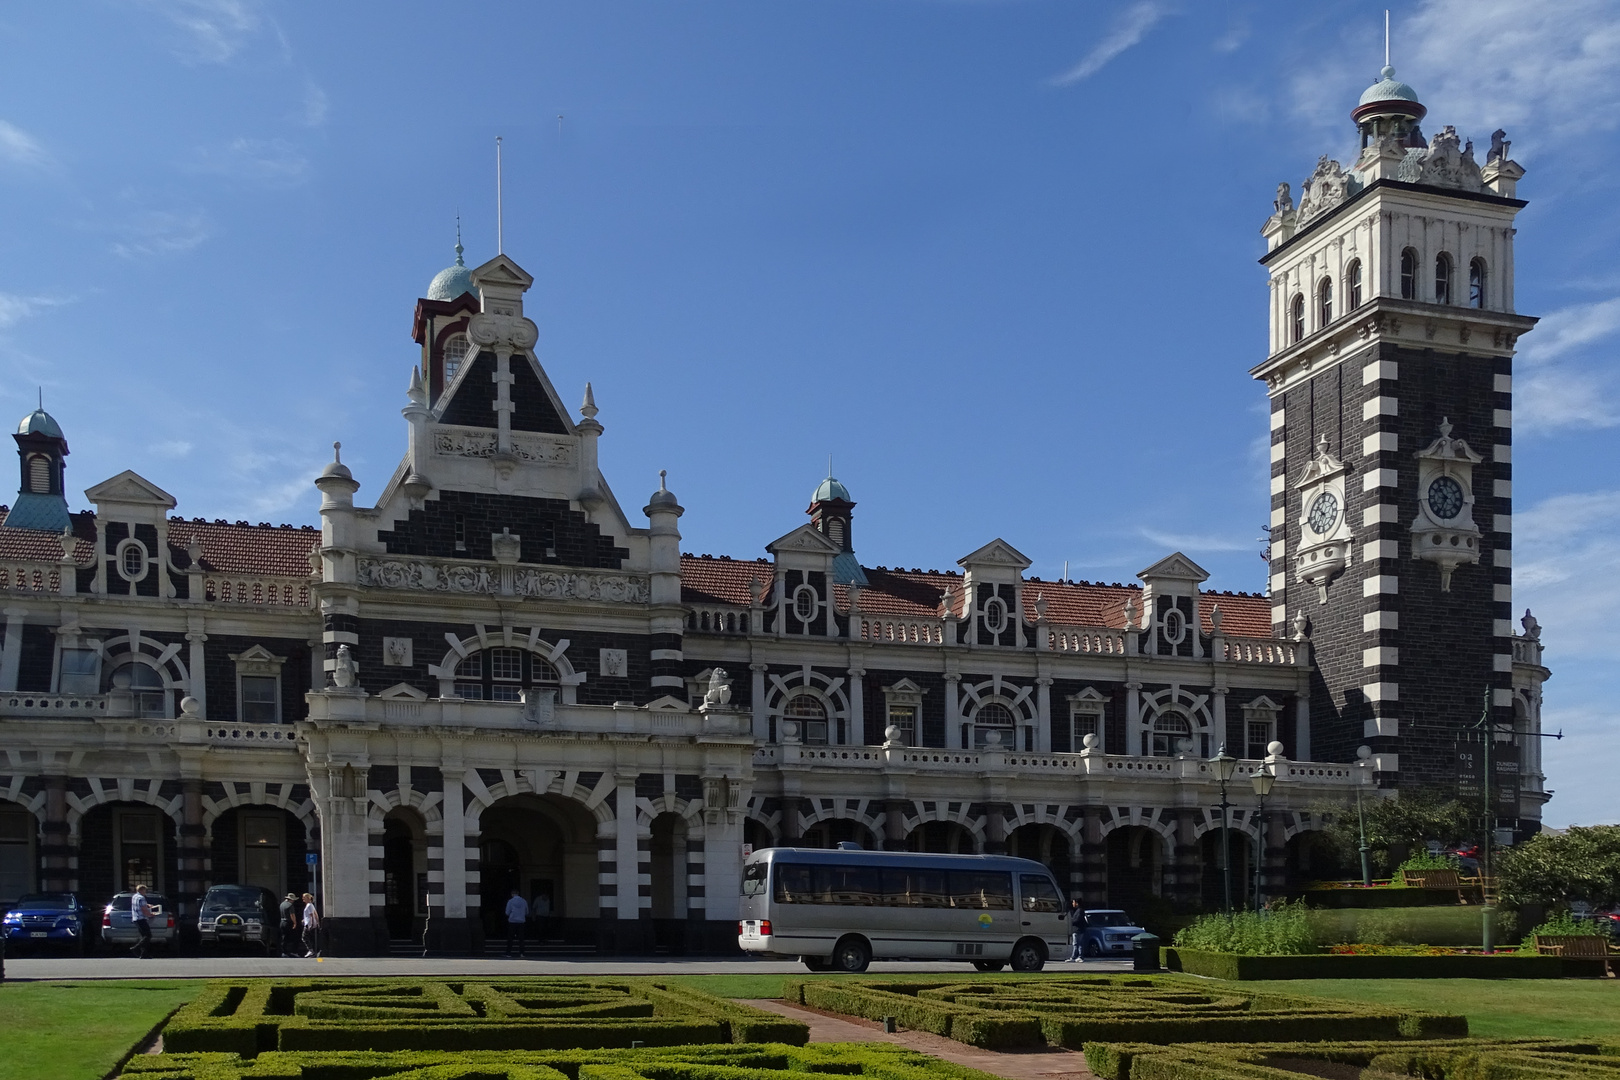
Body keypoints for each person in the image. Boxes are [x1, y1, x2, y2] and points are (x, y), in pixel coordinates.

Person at [503, 888, 529, 958]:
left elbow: (507, 912)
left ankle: (508, 953)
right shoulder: (524, 901)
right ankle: (522, 953)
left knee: (510, 938)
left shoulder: (510, 901)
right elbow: (527, 912)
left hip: (512, 921)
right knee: (521, 938)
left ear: (512, 894)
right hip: (521, 921)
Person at [129, 884, 153, 959]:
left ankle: (144, 954)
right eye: (145, 890)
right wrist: (150, 914)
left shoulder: (134, 896)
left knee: (143, 936)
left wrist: (147, 905)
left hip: (136, 918)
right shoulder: (142, 898)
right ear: (142, 890)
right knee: (148, 935)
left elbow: (139, 905)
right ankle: (135, 947)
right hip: (141, 918)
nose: (145, 892)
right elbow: (143, 909)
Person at [279, 893, 300, 957]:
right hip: (288, 922)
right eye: (293, 900)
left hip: (282, 922)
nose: (293, 901)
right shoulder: (290, 905)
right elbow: (292, 915)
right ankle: (292, 951)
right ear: (290, 899)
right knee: (293, 937)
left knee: (284, 937)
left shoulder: (282, 904)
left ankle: (284, 951)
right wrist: (295, 923)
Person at [300, 893, 321, 957]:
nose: (303, 898)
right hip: (308, 923)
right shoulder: (311, 905)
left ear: (308, 898)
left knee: (304, 937)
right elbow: (315, 914)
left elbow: (312, 915)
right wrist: (317, 923)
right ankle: (314, 951)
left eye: (304, 897)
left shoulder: (309, 905)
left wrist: (311, 924)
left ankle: (311, 950)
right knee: (310, 938)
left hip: (308, 924)